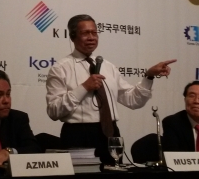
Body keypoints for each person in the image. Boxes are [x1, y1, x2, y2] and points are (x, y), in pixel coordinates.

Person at [46, 14, 176, 164]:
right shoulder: (60, 69)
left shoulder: (108, 67)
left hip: (111, 134)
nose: (91, 37)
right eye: (85, 33)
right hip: (78, 135)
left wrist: (149, 76)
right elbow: (54, 111)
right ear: (73, 36)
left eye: (94, 33)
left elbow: (133, 100)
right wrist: (84, 87)